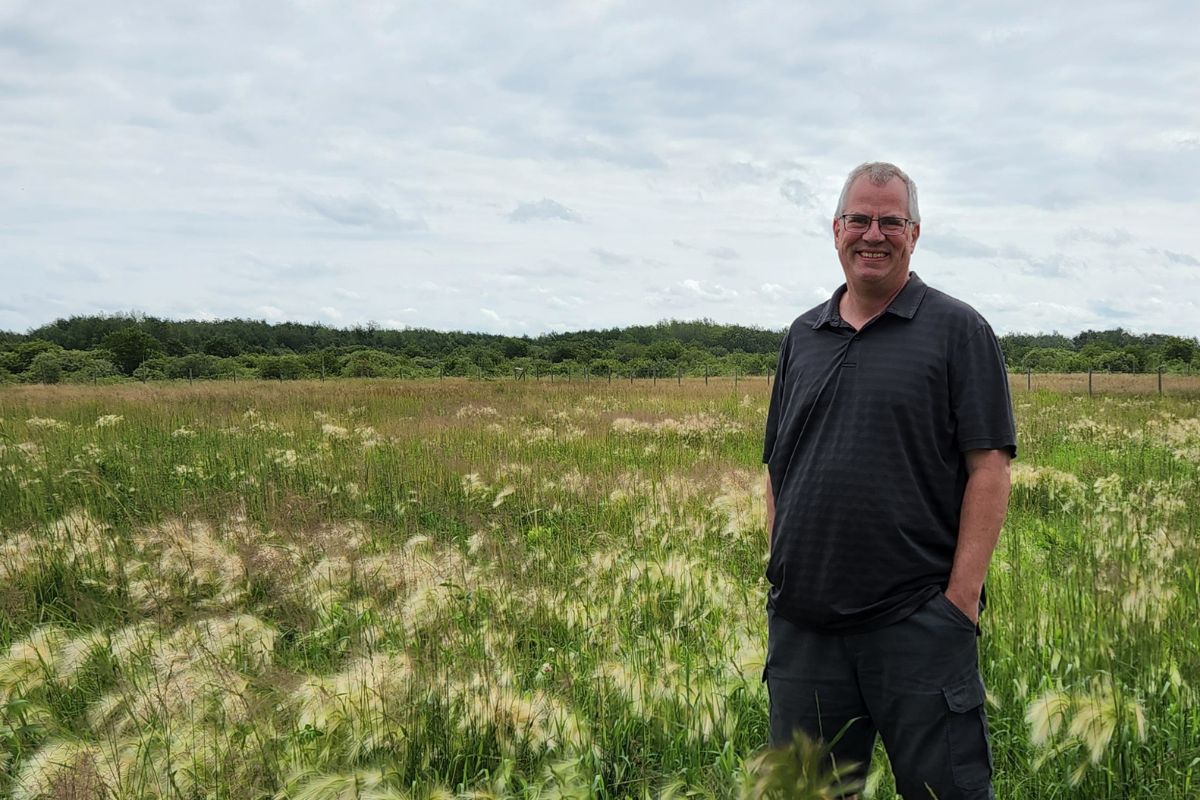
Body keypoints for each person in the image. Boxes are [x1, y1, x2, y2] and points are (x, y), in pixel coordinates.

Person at [762, 162, 1016, 799]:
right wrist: (780, 570)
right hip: (805, 634)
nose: (873, 234)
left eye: (891, 221)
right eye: (860, 219)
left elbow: (990, 467)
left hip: (917, 628)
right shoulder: (802, 336)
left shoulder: (958, 331)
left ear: (915, 232)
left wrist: (959, 603)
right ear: (836, 228)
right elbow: (777, 465)